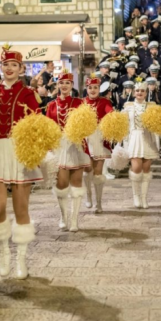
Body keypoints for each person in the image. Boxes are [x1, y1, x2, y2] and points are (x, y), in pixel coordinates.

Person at [0, 46, 42, 281]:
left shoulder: (28, 93)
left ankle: (21, 258)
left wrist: (35, 151)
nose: (9, 68)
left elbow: (36, 124)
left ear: (21, 69)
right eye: (5, 64)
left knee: (20, 209)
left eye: (14, 65)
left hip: (19, 151)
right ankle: (4, 253)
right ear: (0, 67)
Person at [47, 72, 90, 233]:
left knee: (77, 183)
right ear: (57, 85)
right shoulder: (51, 105)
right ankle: (63, 216)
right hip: (59, 146)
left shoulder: (79, 102)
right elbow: (48, 128)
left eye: (67, 83)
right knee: (62, 183)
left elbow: (87, 123)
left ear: (72, 86)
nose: (64, 86)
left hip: (76, 145)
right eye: (61, 83)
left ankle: (74, 220)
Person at [125, 82, 159, 209]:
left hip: (147, 138)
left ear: (146, 93)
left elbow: (157, 122)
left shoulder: (152, 106)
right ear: (134, 92)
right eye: (137, 90)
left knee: (146, 170)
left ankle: (144, 198)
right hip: (134, 138)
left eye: (142, 91)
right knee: (136, 168)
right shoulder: (128, 106)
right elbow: (124, 123)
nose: (139, 93)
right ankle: (136, 196)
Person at [83, 75, 115, 213]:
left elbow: (111, 114)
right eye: (90, 88)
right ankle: (88, 195)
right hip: (85, 138)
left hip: (100, 138)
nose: (92, 90)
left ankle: (99, 203)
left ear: (99, 89)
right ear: (87, 89)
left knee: (98, 172)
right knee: (86, 169)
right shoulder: (82, 102)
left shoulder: (105, 102)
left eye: (95, 87)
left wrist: (113, 119)